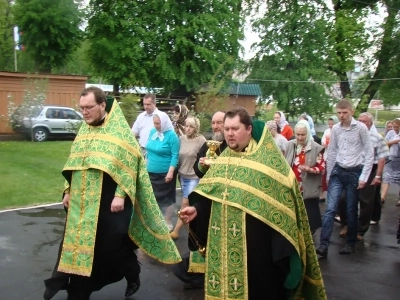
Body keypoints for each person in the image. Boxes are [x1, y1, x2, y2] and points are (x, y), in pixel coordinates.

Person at [43, 87, 181, 300]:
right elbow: (75, 162)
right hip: (84, 201)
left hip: (111, 199)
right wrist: (68, 190)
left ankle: (132, 272)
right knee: (78, 245)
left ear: (102, 105)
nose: (85, 112)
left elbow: (129, 162)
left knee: (112, 248)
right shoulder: (84, 129)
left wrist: (120, 194)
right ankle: (78, 291)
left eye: (89, 107)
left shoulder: (118, 130)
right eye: (82, 108)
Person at [180, 107, 326, 299]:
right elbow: (212, 196)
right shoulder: (223, 160)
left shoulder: (267, 165)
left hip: (257, 250)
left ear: (249, 129)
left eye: (235, 128)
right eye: (227, 129)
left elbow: (282, 211)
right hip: (222, 246)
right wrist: (197, 210)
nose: (230, 134)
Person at [316, 99, 373, 257]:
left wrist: (364, 176)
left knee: (350, 209)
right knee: (330, 209)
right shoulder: (335, 129)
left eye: (344, 113)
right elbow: (332, 151)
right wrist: (329, 174)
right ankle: (323, 245)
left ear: (351, 112)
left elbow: (369, 153)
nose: (341, 116)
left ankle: (350, 243)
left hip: (354, 172)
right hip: (338, 171)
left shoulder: (361, 128)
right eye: (339, 113)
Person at [337, 113, 389, 239]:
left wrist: (378, 176)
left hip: (370, 170)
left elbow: (382, 158)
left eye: (364, 121)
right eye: (359, 120)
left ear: (370, 123)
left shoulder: (376, 137)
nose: (360, 123)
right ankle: (347, 224)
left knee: (366, 201)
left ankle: (360, 230)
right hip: (352, 169)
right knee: (343, 199)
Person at [285, 120, 325, 234]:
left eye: (303, 135)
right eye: (298, 134)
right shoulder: (290, 144)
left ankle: (309, 236)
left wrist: (310, 169)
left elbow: (322, 166)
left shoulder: (316, 148)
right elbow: (284, 161)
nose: (300, 137)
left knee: (309, 213)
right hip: (293, 184)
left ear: (308, 134)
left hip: (308, 186)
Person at [170, 116, 206, 239]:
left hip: (194, 176)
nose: (188, 128)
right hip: (182, 175)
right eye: (186, 125)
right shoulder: (181, 139)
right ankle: (194, 227)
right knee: (191, 204)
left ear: (196, 128)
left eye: (191, 126)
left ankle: (176, 231)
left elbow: (205, 156)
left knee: (185, 203)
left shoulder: (201, 140)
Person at [146, 111, 180, 231]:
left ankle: (168, 220)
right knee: (153, 197)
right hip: (151, 172)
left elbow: (175, 155)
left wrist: (170, 172)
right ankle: (155, 219)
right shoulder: (152, 132)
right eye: (154, 123)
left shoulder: (172, 136)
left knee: (167, 198)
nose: (156, 126)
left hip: (165, 173)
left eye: (158, 123)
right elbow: (148, 151)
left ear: (164, 122)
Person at [193, 111, 228, 178]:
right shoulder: (208, 144)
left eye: (219, 122)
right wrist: (202, 166)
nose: (215, 126)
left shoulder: (233, 144)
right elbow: (197, 170)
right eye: (213, 123)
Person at [381, 118, 400, 206]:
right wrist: (394, 142)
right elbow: (385, 143)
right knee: (386, 177)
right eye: (394, 126)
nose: (395, 128)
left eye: (397, 127)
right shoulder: (391, 133)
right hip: (391, 158)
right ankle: (382, 197)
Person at [320, 116, 340, 201]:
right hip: (327, 155)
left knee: (333, 176)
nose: (330, 125)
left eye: (332, 124)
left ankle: (333, 195)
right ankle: (323, 194)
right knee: (324, 175)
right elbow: (323, 140)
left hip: (336, 157)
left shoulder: (339, 131)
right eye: (329, 124)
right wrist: (324, 143)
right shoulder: (327, 131)